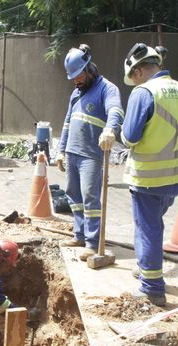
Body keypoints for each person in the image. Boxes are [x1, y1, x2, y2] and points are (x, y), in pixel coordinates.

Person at [120, 43, 178, 306]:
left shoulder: (143, 92)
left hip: (149, 177)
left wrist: (118, 134)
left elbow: (130, 135)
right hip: (177, 177)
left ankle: (152, 287)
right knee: (151, 226)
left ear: (138, 71)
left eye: (132, 78)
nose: (133, 82)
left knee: (148, 230)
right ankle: (145, 269)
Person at [55, 44, 124, 261]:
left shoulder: (107, 89)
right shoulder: (76, 93)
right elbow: (67, 122)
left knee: (90, 198)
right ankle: (79, 235)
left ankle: (92, 243)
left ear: (89, 68)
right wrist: (60, 150)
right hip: (73, 153)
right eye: (72, 77)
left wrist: (110, 129)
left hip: (91, 155)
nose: (75, 80)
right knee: (74, 196)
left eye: (78, 75)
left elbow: (115, 110)